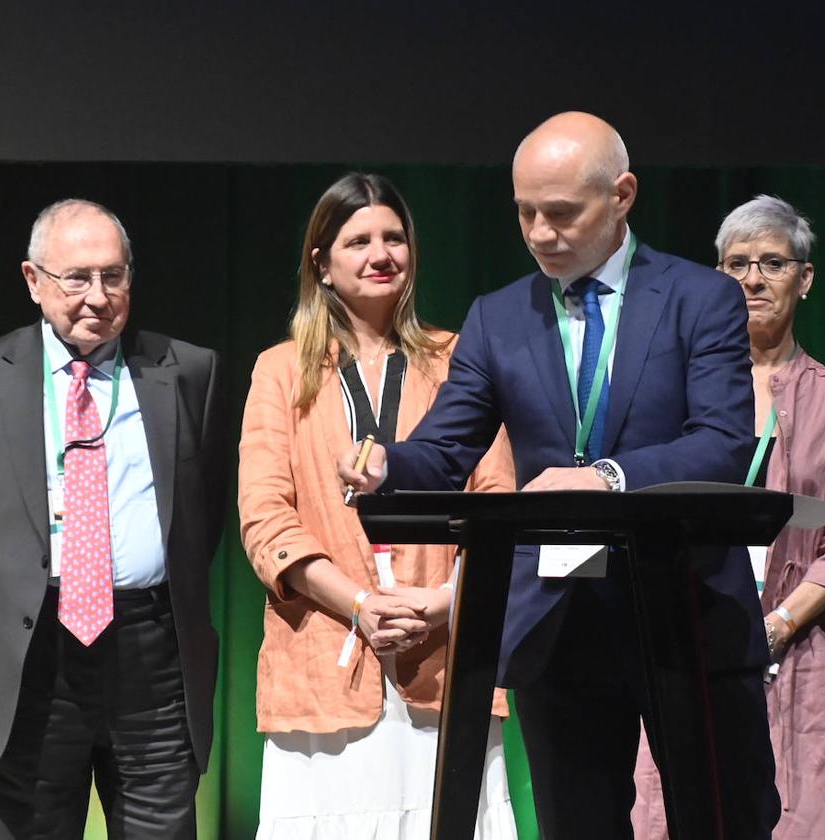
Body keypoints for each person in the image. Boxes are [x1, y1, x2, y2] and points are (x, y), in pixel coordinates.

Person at [339, 112, 780, 838]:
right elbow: (444, 451)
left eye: (562, 212)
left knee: (728, 822)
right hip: (561, 621)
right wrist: (386, 462)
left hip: (690, 611)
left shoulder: (701, 299)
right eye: (524, 212)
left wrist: (605, 477)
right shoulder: (497, 317)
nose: (540, 232)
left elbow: (723, 444)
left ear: (624, 195)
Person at [0, 199, 226, 838]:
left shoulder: (189, 372)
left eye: (114, 276)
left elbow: (204, 515)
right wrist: (8, 604)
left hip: (151, 656)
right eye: (76, 278)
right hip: (30, 658)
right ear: (33, 280)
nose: (98, 296)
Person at [238, 172, 518, 839]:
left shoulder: (460, 361)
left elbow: (498, 504)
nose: (380, 253)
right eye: (358, 240)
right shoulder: (281, 370)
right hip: (325, 660)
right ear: (322, 264)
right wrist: (360, 606)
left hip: (445, 652)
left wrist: (447, 602)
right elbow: (264, 519)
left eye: (394, 237)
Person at [632, 195, 825, 839]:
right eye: (735, 263)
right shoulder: (671, 391)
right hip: (687, 627)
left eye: (772, 262)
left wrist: (775, 625)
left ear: (805, 279)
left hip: (797, 647)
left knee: (804, 813)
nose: (751, 278)